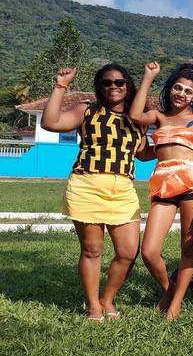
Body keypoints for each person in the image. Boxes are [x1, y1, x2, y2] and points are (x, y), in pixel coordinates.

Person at [41, 64, 154, 321]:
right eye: (106, 82)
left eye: (119, 82)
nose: (113, 86)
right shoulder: (87, 110)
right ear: (99, 86)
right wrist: (61, 85)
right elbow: (50, 122)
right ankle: (94, 306)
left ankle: (107, 299)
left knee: (128, 252)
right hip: (86, 186)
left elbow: (143, 153)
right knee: (92, 250)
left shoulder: (137, 119)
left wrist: (175, 142)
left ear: (128, 85)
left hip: (123, 189)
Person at [129, 61, 193, 321]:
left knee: (188, 249)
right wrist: (148, 77)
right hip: (164, 182)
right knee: (149, 251)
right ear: (170, 88)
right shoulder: (158, 116)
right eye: (178, 88)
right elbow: (135, 117)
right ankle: (170, 290)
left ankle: (176, 303)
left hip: (191, 181)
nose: (181, 94)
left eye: (188, 91)